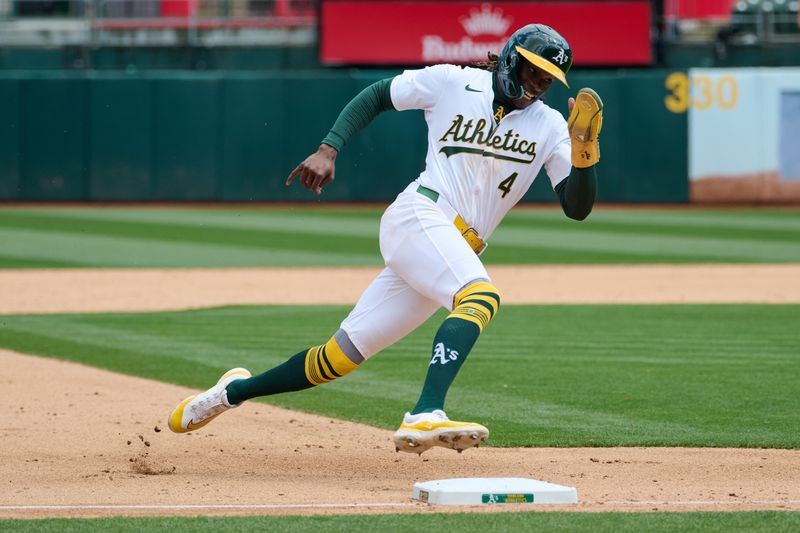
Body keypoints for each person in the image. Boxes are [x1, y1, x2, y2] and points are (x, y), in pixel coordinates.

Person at [167, 23, 603, 455]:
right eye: (534, 72)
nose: (538, 85)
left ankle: (231, 392)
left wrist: (583, 151)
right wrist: (329, 147)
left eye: (547, 79)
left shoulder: (551, 126)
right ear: (512, 58)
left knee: (338, 357)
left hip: (448, 249)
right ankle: (426, 411)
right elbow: (378, 95)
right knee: (480, 297)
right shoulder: (453, 82)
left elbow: (576, 207)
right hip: (421, 215)